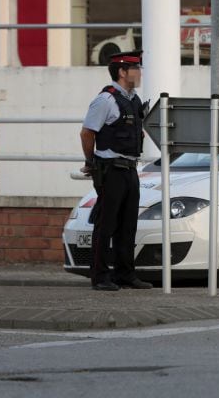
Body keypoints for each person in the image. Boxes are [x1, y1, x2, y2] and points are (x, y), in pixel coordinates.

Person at [80, 50, 153, 291]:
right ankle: (100, 276)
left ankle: (125, 274)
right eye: (136, 69)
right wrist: (91, 162)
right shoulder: (106, 100)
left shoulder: (132, 99)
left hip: (130, 168)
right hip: (111, 169)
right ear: (122, 72)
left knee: (128, 225)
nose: (139, 73)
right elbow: (87, 132)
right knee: (106, 224)